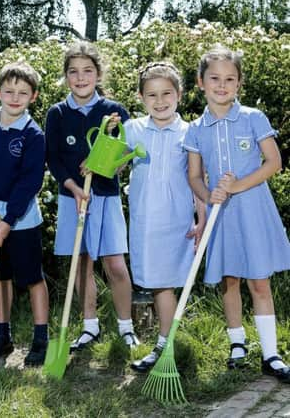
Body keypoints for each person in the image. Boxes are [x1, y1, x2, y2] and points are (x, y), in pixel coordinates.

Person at [184, 45, 290, 382]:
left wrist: (238, 185)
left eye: (230, 79)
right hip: (222, 214)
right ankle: (237, 344)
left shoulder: (253, 118)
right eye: (214, 78)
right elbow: (194, 177)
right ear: (201, 82)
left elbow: (274, 163)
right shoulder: (196, 129)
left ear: (239, 84)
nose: (222, 85)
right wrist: (210, 194)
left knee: (259, 281)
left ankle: (271, 353)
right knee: (230, 280)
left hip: (253, 209)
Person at [45, 41, 139, 352]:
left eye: (87, 71)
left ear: (98, 74)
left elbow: (125, 155)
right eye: (74, 72)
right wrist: (72, 186)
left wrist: (101, 162)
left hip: (105, 196)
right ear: (66, 77)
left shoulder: (114, 112)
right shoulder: (57, 114)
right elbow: (54, 159)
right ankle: (89, 326)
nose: (81, 78)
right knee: (81, 262)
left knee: (114, 263)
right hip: (72, 197)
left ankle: (126, 327)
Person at [124, 62, 206, 372]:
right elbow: (114, 166)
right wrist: (106, 148)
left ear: (180, 95)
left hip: (176, 222)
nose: (160, 102)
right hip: (145, 220)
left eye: (166, 94)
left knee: (169, 283)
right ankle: (164, 342)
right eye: (152, 95)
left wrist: (202, 220)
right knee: (157, 283)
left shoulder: (190, 132)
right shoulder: (132, 129)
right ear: (141, 98)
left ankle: (164, 344)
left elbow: (198, 181)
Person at [0, 62, 50, 366]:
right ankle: (1, 338)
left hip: (22, 218)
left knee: (31, 277)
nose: (15, 97)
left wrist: (9, 219)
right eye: (9, 91)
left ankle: (41, 339)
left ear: (33, 96)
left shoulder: (33, 134)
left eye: (22, 92)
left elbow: (30, 180)